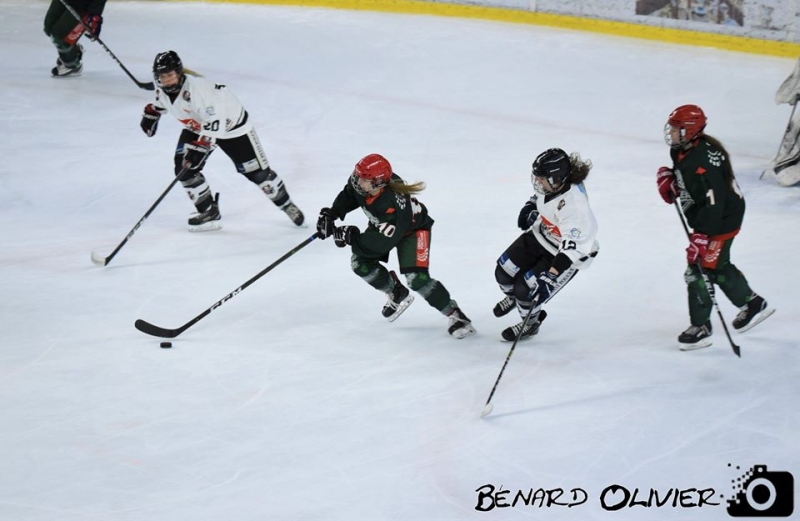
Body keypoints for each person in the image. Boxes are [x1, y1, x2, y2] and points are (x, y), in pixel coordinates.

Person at [140, 51, 305, 231]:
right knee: (184, 170)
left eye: (170, 75)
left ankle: (286, 204)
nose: (166, 80)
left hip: (232, 128)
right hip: (198, 126)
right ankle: (209, 212)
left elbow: (215, 120)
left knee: (257, 174)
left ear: (179, 73)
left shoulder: (199, 90)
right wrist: (153, 111)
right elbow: (164, 102)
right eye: (162, 76)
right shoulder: (162, 90)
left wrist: (202, 147)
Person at [315, 154, 476, 339]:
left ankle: (456, 315)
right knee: (360, 264)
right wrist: (333, 213)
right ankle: (396, 292)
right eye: (358, 176)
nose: (359, 182)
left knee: (417, 279)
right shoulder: (365, 183)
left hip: (412, 230)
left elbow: (380, 243)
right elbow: (350, 194)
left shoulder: (392, 205)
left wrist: (351, 237)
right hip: (384, 225)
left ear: (378, 183)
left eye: (365, 180)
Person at [657, 104, 774, 350]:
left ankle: (701, 326)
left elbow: (714, 203)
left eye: (676, 129)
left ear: (690, 131)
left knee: (698, 270)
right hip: (714, 217)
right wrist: (673, 181)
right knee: (716, 265)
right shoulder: (681, 151)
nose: (671, 133)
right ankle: (752, 303)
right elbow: (690, 181)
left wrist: (702, 237)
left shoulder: (704, 162)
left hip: (721, 221)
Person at [493, 148, 599, 342]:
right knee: (503, 272)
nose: (537, 182)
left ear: (556, 177)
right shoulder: (555, 184)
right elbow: (541, 198)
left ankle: (531, 323)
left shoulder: (575, 208)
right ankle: (516, 300)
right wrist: (531, 206)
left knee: (527, 290)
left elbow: (571, 250)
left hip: (565, 254)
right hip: (542, 234)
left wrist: (551, 276)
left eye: (542, 178)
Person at [44, 0, 106, 77]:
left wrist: (95, 16)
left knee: (60, 38)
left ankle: (72, 65)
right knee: (49, 28)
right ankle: (74, 50)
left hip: (83, 6)